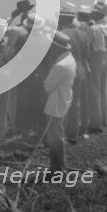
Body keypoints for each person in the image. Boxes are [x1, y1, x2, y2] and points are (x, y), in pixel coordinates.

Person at [42, 31, 75, 173]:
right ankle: (58, 168)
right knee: (58, 135)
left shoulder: (60, 65)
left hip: (56, 103)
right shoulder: (70, 59)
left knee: (55, 138)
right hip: (64, 99)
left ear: (59, 48)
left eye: (53, 46)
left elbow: (47, 86)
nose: (51, 49)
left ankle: (57, 170)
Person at [58, 4, 91, 143]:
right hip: (80, 70)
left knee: (63, 101)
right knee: (75, 103)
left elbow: (58, 54)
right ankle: (73, 134)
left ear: (65, 18)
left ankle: (62, 133)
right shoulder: (83, 34)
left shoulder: (62, 34)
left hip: (67, 70)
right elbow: (87, 55)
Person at [87, 2, 107, 132]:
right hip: (106, 58)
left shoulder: (94, 28)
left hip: (96, 58)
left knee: (95, 90)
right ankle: (105, 119)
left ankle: (95, 123)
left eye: (94, 13)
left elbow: (89, 45)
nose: (92, 14)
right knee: (103, 88)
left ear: (98, 14)